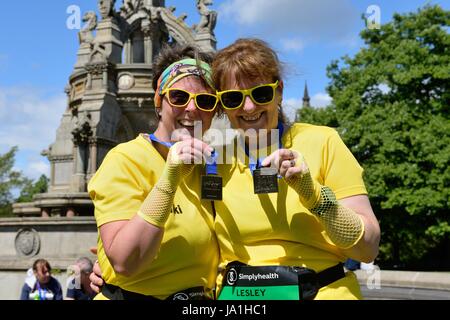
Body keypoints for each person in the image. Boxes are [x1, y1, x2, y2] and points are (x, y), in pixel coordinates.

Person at [210, 38, 381, 300]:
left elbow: (367, 249)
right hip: (242, 300)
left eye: (261, 93)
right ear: (222, 104)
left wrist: (313, 195)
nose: (249, 107)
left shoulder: (324, 141)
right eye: (233, 98)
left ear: (279, 91)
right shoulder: (215, 162)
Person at [87, 44, 219, 300]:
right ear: (159, 102)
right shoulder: (125, 159)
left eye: (205, 100)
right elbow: (125, 262)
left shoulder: (213, 164)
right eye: (179, 97)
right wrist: (170, 179)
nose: (192, 109)